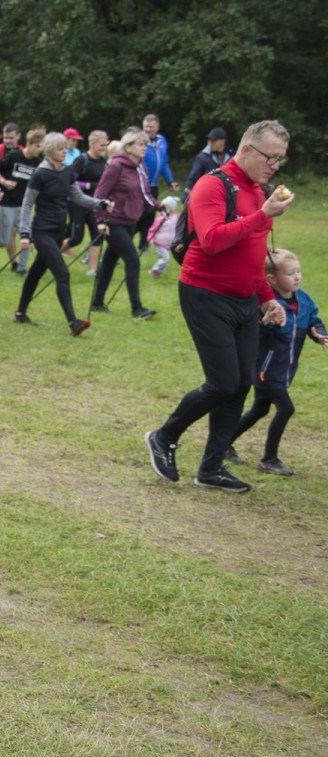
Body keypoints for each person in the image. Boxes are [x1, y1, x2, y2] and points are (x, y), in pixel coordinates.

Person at [144, 120, 294, 493]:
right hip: (205, 293)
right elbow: (211, 240)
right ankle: (164, 436)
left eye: (281, 160)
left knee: (242, 382)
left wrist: (268, 298)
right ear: (246, 150)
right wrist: (263, 216)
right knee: (223, 382)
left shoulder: (259, 192)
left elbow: (253, 256)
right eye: (270, 157)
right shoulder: (213, 185)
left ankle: (211, 468)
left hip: (245, 298)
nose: (275, 166)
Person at [225, 249, 326, 476]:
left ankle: (223, 444)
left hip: (284, 369)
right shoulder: (266, 303)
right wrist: (265, 323)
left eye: (299, 271)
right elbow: (251, 332)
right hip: (266, 370)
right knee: (286, 409)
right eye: (291, 273)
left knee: (259, 410)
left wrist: (319, 333)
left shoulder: (304, 299)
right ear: (271, 279)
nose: (297, 277)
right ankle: (269, 459)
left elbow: (313, 320)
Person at [13, 132, 110, 335]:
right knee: (63, 274)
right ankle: (73, 322)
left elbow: (78, 197)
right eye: (60, 148)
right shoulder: (40, 174)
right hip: (41, 231)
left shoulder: (66, 171)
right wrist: (24, 233)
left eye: (65, 147)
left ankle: (20, 313)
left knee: (36, 273)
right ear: (49, 152)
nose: (64, 151)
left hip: (58, 231)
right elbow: (27, 204)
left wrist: (100, 204)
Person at [90, 129, 157, 319]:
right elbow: (99, 195)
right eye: (140, 144)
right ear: (128, 147)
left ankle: (97, 302)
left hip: (131, 221)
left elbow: (146, 195)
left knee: (110, 261)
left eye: (146, 144)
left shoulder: (141, 167)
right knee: (133, 260)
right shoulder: (116, 166)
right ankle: (137, 308)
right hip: (114, 222)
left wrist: (160, 207)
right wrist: (101, 220)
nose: (144, 148)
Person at [0, 127, 42, 275]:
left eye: (41, 147)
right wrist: (4, 182)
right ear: (29, 143)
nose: (39, 150)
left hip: (23, 206)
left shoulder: (38, 163)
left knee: (28, 237)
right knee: (3, 240)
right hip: (6, 204)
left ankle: (22, 268)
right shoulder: (14, 156)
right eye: (37, 146)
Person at [136, 114, 181, 251]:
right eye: (146, 127)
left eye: (151, 127)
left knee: (150, 216)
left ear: (157, 127)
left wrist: (170, 181)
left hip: (154, 185)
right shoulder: (139, 140)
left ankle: (143, 244)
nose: (148, 129)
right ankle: (124, 241)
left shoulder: (162, 140)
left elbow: (164, 163)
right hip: (140, 184)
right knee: (140, 214)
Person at [68, 129, 109, 275]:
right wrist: (89, 186)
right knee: (75, 239)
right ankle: (49, 255)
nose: (104, 148)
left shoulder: (105, 161)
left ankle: (92, 270)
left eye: (105, 145)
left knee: (97, 235)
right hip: (77, 202)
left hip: (95, 204)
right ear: (92, 143)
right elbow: (69, 180)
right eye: (102, 145)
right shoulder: (82, 160)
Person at [184, 127, 232, 200]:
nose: (210, 143)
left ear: (222, 141)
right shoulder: (202, 158)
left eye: (213, 141)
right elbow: (192, 179)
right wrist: (186, 197)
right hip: (208, 197)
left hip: (227, 198)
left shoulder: (231, 156)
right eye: (209, 140)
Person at [146, 196, 180, 278]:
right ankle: (154, 270)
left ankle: (157, 274)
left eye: (166, 207)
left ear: (172, 208)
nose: (164, 209)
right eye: (163, 207)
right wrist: (150, 239)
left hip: (168, 243)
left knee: (165, 259)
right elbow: (152, 229)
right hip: (159, 242)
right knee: (165, 258)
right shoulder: (161, 218)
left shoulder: (176, 217)